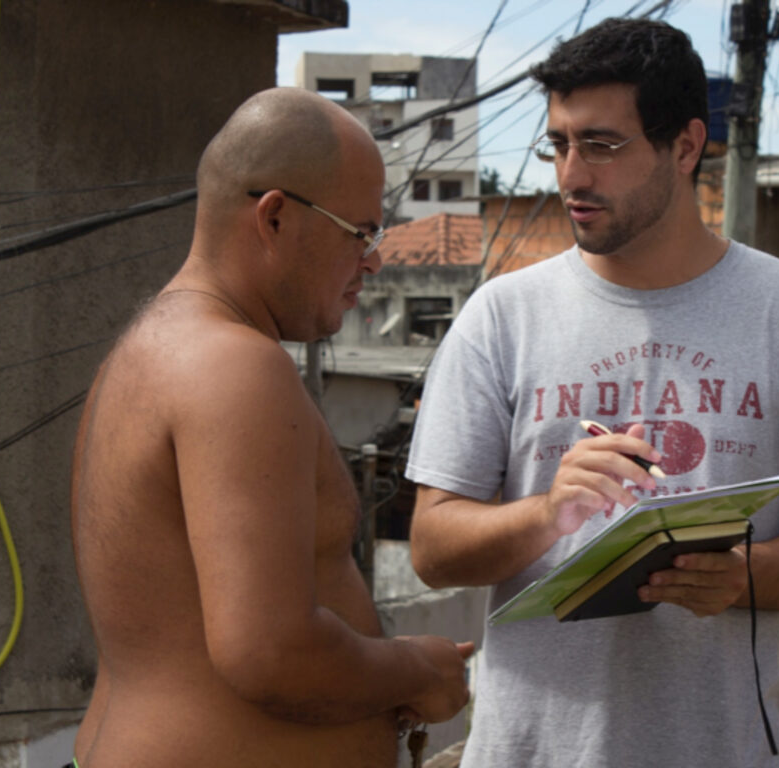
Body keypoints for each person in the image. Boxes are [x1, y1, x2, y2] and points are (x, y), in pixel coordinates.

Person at [406, 18, 779, 767]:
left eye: (602, 145)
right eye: (560, 144)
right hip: (530, 752)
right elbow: (432, 547)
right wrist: (547, 512)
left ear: (684, 146)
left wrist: (740, 577)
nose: (571, 175)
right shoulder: (501, 317)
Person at [70, 87, 472, 768]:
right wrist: (416, 672)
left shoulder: (147, 352)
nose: (373, 259)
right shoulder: (234, 368)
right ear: (277, 217)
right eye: (362, 232)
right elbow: (270, 653)